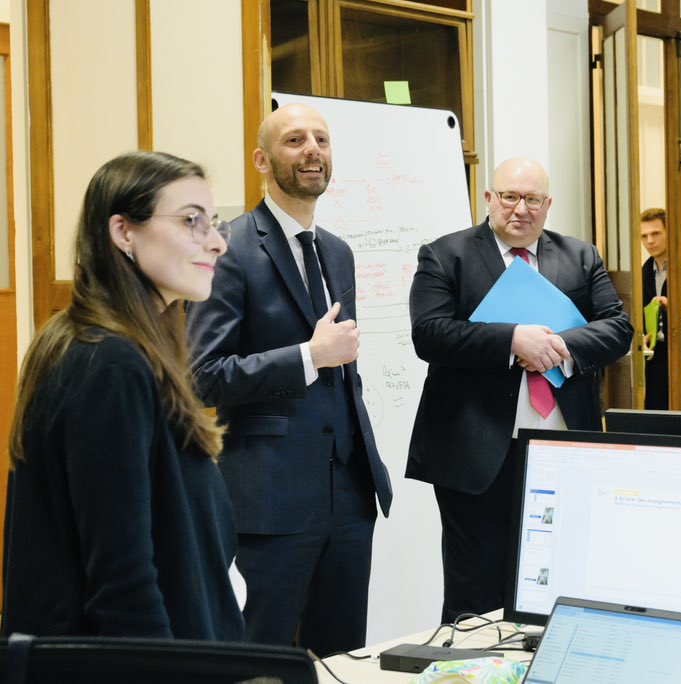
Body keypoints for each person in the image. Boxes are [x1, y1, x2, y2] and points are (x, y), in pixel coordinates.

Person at [1, 151, 242, 639]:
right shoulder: (110, 364)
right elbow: (122, 583)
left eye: (215, 224)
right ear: (123, 232)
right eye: (192, 221)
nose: (215, 243)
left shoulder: (111, 348)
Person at [187, 103, 393, 655]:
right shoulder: (229, 249)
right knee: (261, 660)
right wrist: (307, 356)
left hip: (350, 500)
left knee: (342, 657)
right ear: (262, 159)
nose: (312, 151)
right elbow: (202, 375)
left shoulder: (339, 253)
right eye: (295, 140)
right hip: (269, 504)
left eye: (321, 140)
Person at [406, 157, 632, 624]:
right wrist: (512, 340)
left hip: (564, 449)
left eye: (532, 199)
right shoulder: (446, 255)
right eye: (509, 196)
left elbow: (618, 328)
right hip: (477, 454)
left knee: (559, 587)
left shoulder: (580, 256)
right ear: (488, 198)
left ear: (548, 205)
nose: (520, 209)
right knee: (476, 597)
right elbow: (429, 333)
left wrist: (559, 346)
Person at [640, 207, 669, 410]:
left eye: (656, 233)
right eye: (644, 236)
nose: (649, 241)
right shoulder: (643, 270)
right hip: (653, 351)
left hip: (679, 350)